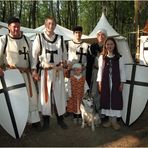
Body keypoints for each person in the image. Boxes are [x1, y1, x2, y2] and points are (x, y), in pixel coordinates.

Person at [0, 17, 40, 127]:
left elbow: (33, 58)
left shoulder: (27, 40)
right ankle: (18, 122)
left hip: (26, 74)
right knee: (16, 99)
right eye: (14, 27)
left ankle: (34, 121)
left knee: (32, 97)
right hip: (11, 75)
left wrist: (33, 70)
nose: (16, 29)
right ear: (9, 27)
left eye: (18, 26)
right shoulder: (4, 39)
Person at [32, 16, 68, 129]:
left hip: (58, 71)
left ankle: (60, 118)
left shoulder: (60, 38)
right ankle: (46, 120)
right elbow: (34, 56)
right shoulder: (39, 37)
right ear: (45, 24)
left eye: (53, 24)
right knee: (45, 96)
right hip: (45, 72)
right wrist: (34, 71)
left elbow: (64, 55)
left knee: (59, 95)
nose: (50, 26)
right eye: (48, 24)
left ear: (55, 25)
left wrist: (64, 63)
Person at [97, 37, 126, 130]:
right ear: (105, 46)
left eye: (111, 44)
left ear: (114, 45)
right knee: (106, 99)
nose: (109, 46)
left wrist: (122, 83)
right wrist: (99, 82)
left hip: (116, 82)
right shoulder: (102, 57)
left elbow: (122, 71)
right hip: (105, 82)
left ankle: (114, 122)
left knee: (115, 100)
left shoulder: (119, 58)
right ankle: (109, 121)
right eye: (108, 44)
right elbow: (100, 71)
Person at [86, 29, 107, 116]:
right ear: (97, 36)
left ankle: (104, 112)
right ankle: (96, 111)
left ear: (105, 36)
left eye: (102, 35)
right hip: (95, 71)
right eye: (99, 35)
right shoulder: (92, 47)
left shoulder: (108, 46)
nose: (101, 37)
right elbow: (89, 61)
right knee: (94, 92)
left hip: (106, 73)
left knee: (105, 93)